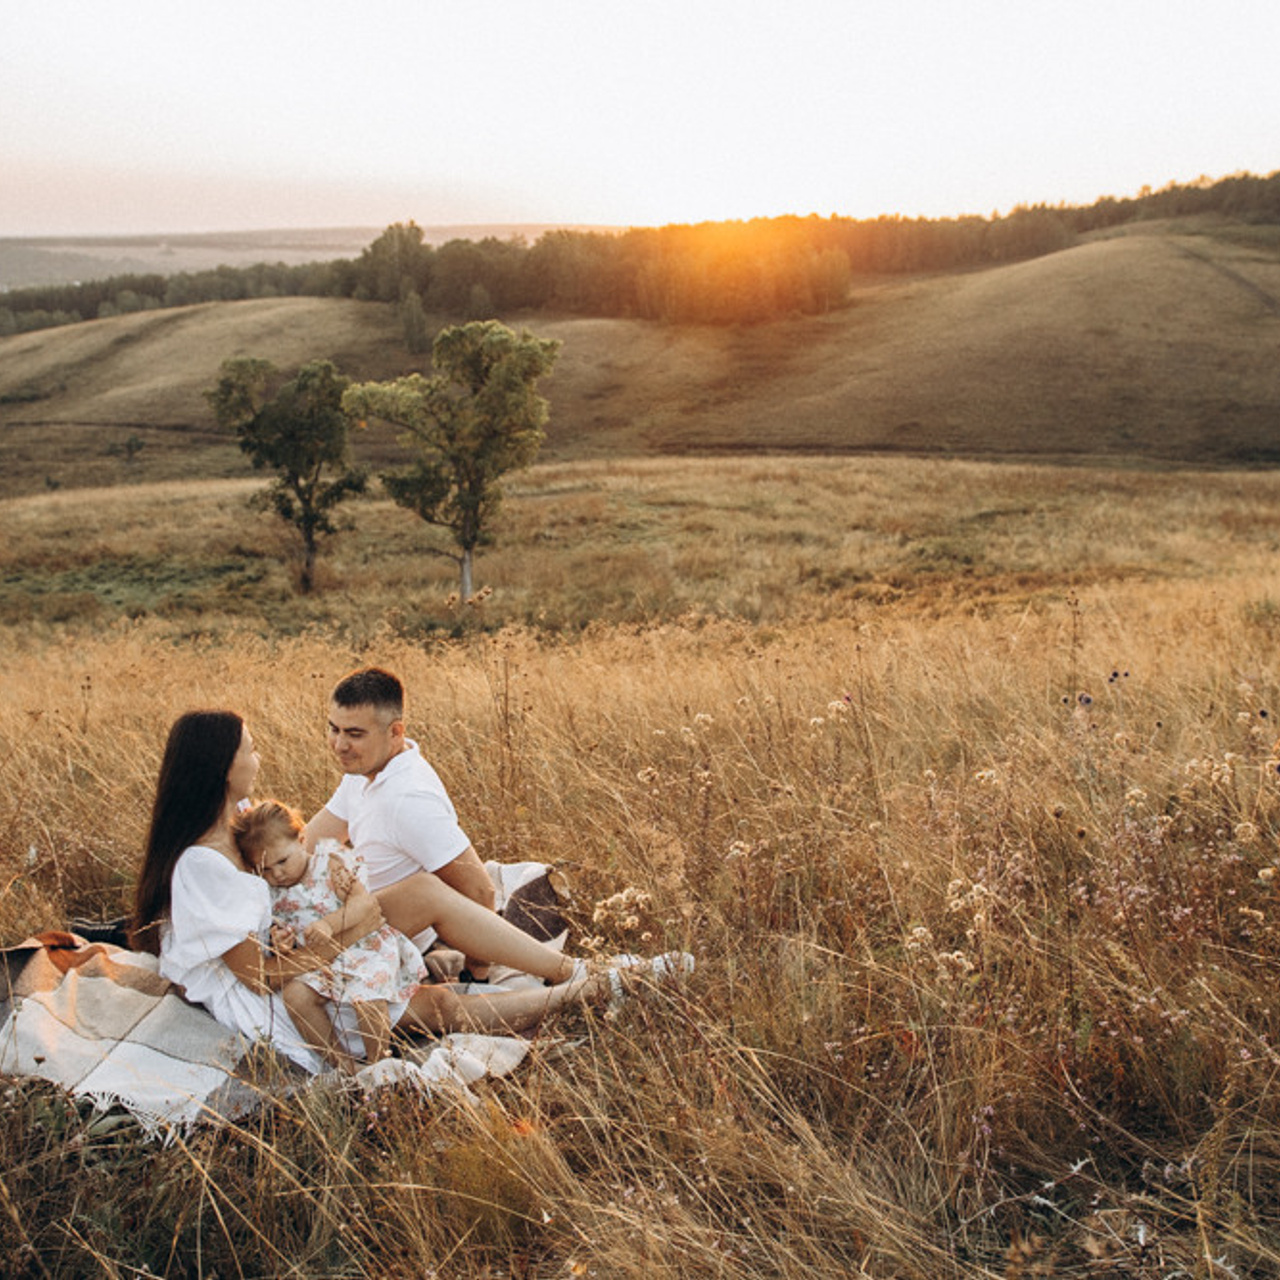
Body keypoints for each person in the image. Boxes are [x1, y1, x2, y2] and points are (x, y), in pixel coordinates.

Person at [130, 709, 615, 1075]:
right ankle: (587, 991)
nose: (258, 758)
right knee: (440, 1007)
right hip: (281, 990)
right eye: (250, 750)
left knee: (423, 891)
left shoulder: (240, 819)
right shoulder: (201, 864)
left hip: (303, 939)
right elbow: (259, 979)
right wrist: (353, 934)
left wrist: (333, 879)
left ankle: (571, 968)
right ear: (221, 768)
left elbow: (297, 857)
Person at [304, 667, 505, 978]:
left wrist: (476, 973)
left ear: (395, 732)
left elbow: (481, 891)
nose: (339, 745)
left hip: (384, 940)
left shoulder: (409, 800)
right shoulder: (364, 772)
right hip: (347, 915)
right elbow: (311, 843)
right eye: (334, 729)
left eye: (355, 734)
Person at [233, 799, 425, 1073]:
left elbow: (363, 904)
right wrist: (281, 944)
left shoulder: (329, 864)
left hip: (363, 949)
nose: (276, 873)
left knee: (366, 996)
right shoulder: (270, 892)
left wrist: (328, 925)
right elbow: (279, 929)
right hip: (322, 961)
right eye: (264, 868)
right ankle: (342, 1065)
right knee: (295, 996)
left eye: (282, 861)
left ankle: (379, 1064)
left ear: (301, 840)